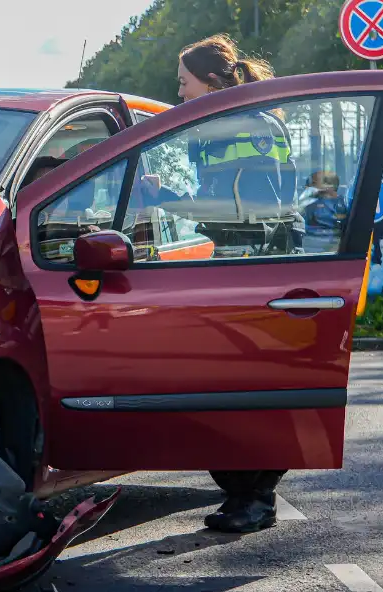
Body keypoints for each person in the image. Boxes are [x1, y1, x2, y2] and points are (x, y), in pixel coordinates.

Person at [164, 34, 298, 534]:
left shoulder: (231, 128)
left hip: (246, 269)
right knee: (253, 384)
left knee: (232, 386)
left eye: (184, 83)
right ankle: (251, 494)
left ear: (214, 83)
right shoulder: (257, 121)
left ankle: (253, 496)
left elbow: (229, 210)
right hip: (266, 264)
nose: (180, 94)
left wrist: (167, 198)